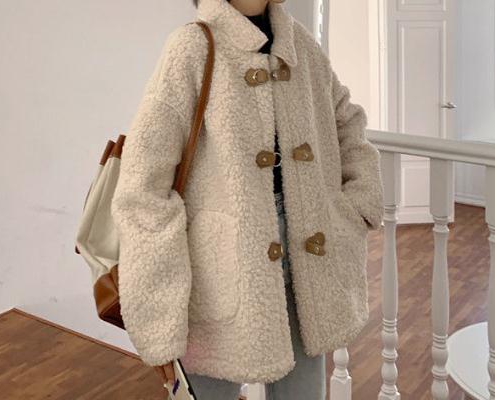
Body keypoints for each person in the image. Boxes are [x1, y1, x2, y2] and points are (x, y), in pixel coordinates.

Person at [110, 0, 384, 399]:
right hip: (218, 269)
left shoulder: (299, 44)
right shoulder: (192, 47)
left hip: (307, 261)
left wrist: (358, 204)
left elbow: (349, 123)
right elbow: (143, 188)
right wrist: (159, 322)